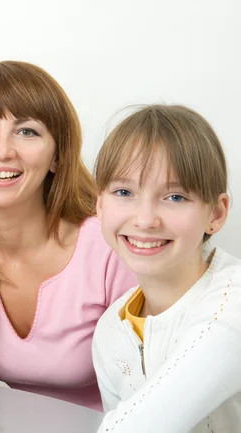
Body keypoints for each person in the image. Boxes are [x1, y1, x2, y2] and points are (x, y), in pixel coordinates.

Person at [0, 61, 137, 410]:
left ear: (57, 156)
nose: (2, 150)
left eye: (27, 132)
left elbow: (151, 386)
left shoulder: (107, 247)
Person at [92, 105, 239, 432]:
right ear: (99, 205)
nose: (145, 219)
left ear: (216, 213)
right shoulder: (110, 328)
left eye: (174, 197)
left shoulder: (233, 307)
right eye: (124, 192)